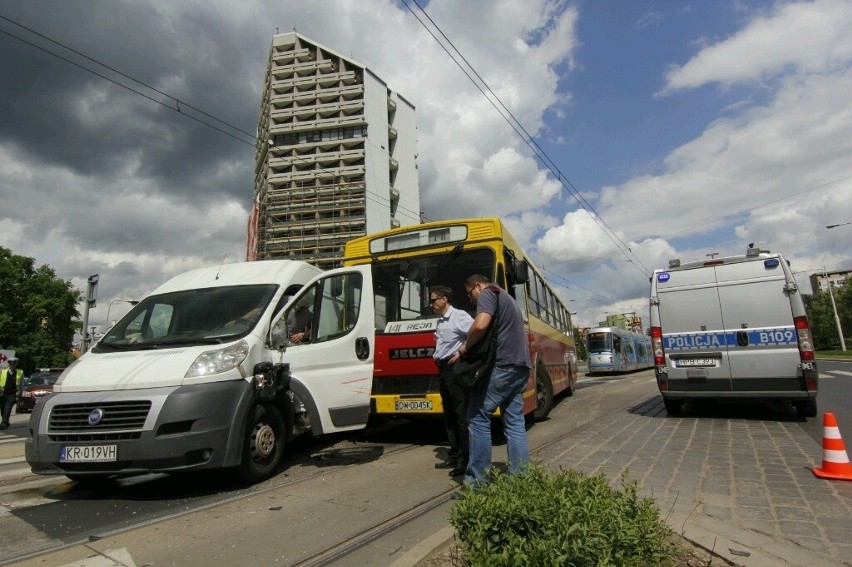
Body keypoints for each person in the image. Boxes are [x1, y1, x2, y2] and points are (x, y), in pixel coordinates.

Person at [457, 274, 532, 488]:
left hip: (502, 366)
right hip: (520, 367)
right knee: (515, 423)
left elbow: (481, 325)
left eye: (470, 294)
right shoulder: (508, 298)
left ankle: (477, 483)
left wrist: (465, 347)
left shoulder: (489, 293)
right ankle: (520, 479)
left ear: (478, 286)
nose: (471, 300)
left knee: (477, 416)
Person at [430, 285, 474, 477]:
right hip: (442, 369)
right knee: (449, 414)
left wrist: (463, 350)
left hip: (454, 370)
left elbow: (477, 332)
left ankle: (465, 460)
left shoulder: (460, 316)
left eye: (433, 300)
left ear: (444, 299)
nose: (431, 304)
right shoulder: (440, 321)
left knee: (460, 414)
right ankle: (454, 454)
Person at [0, 358, 24, 429]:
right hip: (2, 393)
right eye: (11, 364)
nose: (13, 365)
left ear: (16, 364)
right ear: (9, 364)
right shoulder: (3, 371)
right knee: (3, 409)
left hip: (12, 394)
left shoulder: (20, 372)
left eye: (14, 364)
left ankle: (3, 424)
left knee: (8, 409)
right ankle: (6, 422)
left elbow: (22, 383)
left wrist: (21, 392)